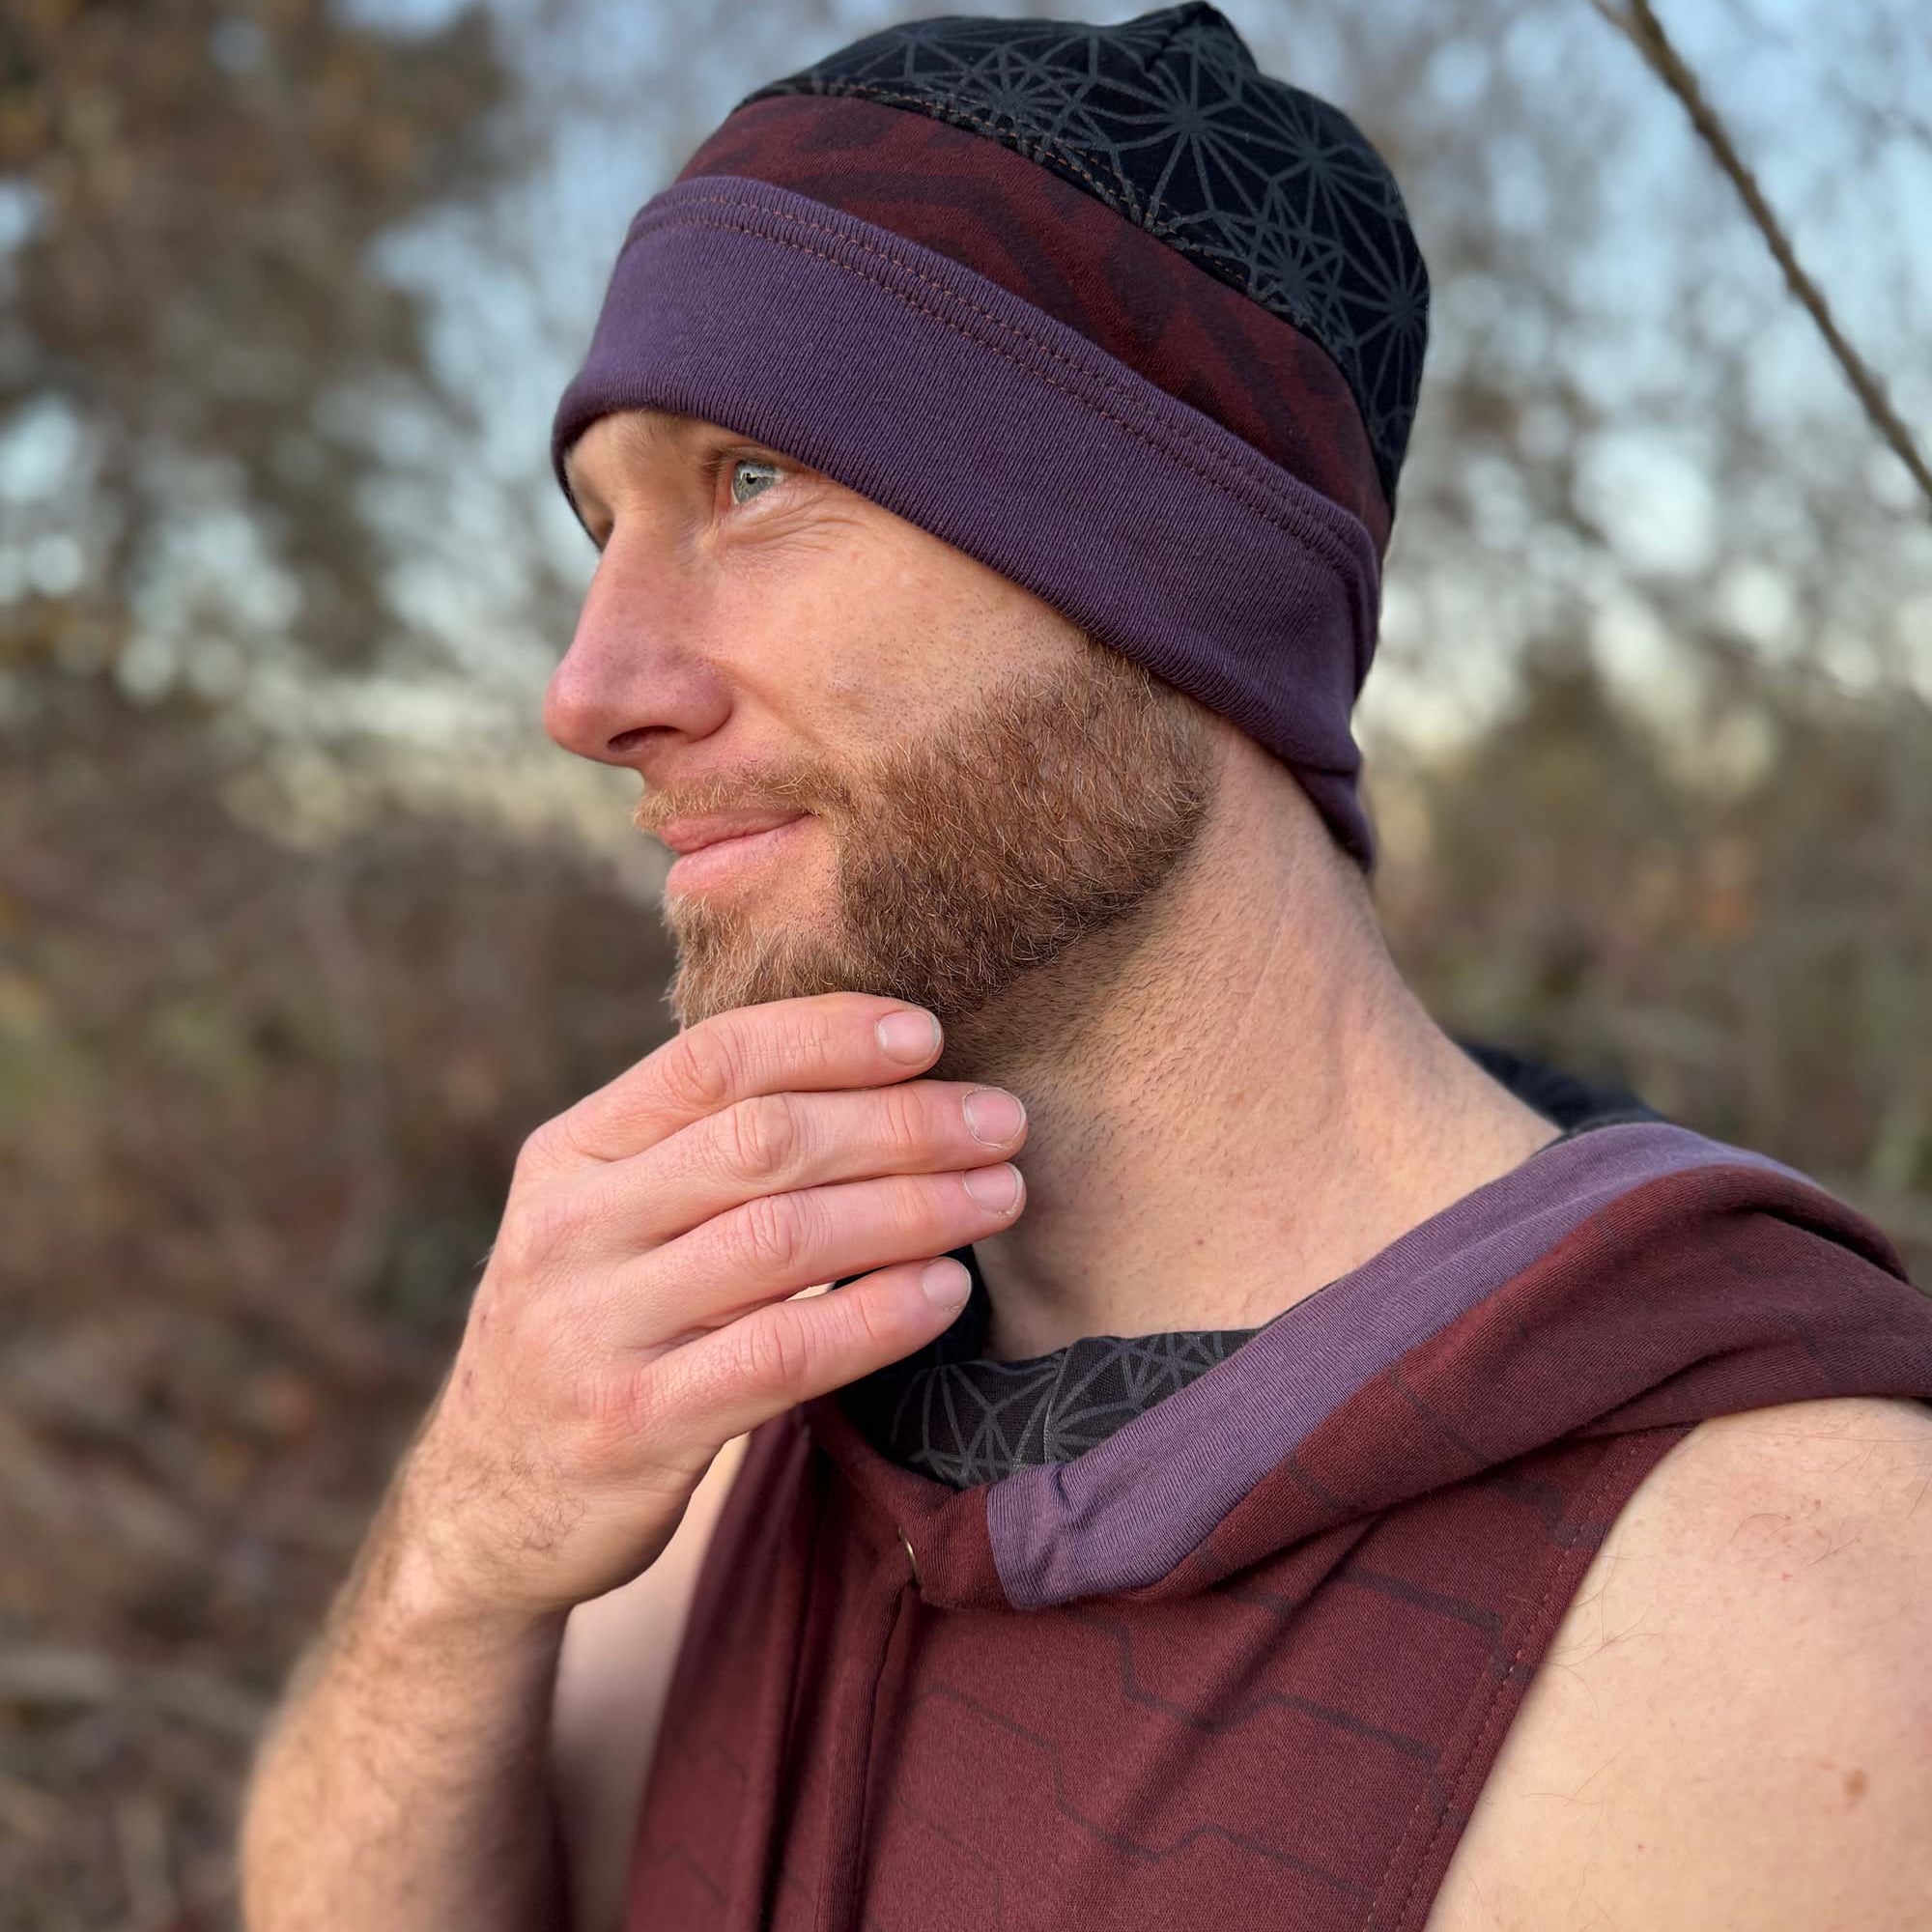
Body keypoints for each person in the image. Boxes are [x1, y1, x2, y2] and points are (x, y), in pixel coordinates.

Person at [237, 6, 1932, 1929]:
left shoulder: (1779, 1610)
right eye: (603, 524)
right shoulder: (722, 1408)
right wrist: (460, 1553)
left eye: (751, 481)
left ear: (1167, 579)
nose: (588, 688)